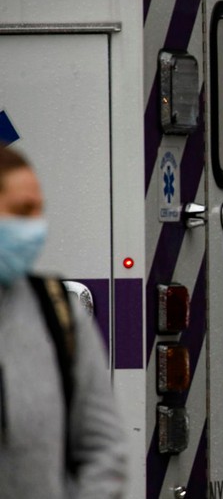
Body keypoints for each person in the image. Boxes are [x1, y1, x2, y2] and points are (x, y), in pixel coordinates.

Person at [0, 145, 128, 498]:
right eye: (21, 211)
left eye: (38, 211)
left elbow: (104, 447)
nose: (35, 227)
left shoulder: (58, 313)